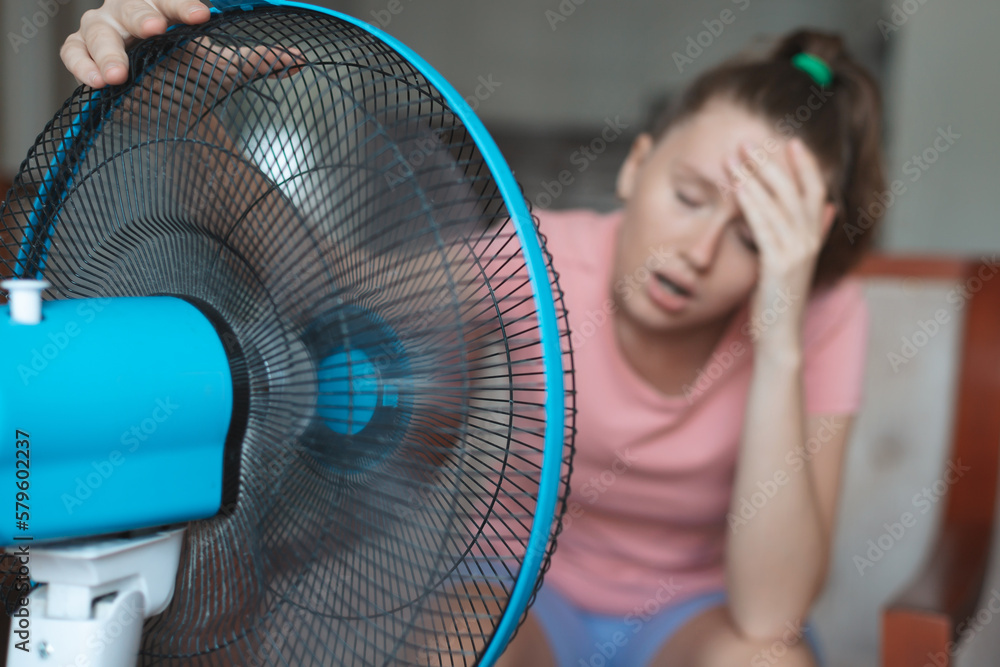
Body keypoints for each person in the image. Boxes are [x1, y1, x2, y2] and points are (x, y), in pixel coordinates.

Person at [61, 4, 884, 667]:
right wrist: (178, 100)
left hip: (695, 615)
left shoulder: (821, 315)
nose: (698, 253)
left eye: (751, 238)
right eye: (690, 194)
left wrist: (781, 333)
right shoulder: (544, 258)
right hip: (525, 583)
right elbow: (325, 277)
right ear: (637, 165)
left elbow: (771, 612)